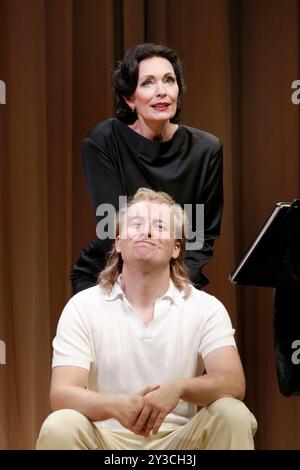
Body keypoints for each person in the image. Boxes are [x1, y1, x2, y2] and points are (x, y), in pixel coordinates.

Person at [37, 188, 257, 450]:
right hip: (107, 441)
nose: (147, 232)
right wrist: (115, 405)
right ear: (118, 243)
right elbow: (61, 393)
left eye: (160, 226)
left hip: (182, 442)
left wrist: (178, 389)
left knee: (233, 413)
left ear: (176, 248)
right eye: (137, 224)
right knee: (60, 424)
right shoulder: (82, 306)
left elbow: (233, 382)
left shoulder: (206, 307)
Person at [70, 42, 223, 293]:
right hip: (111, 272)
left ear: (178, 90)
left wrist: (174, 290)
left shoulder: (207, 149)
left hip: (176, 275)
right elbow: (113, 225)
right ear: (130, 97)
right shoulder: (102, 141)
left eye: (169, 80)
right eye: (148, 82)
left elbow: (201, 236)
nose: (161, 91)